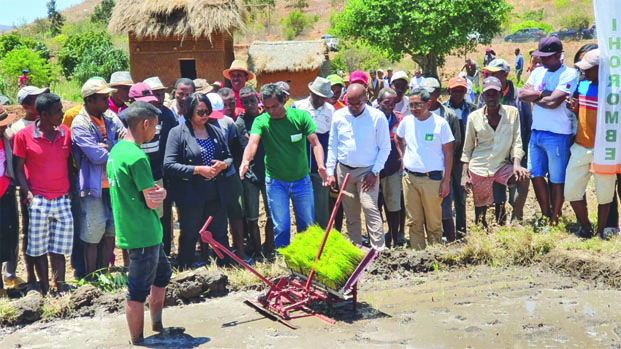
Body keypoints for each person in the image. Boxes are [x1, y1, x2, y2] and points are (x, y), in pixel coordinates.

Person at [106, 101, 173, 345]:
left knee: (163, 274)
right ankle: (138, 340)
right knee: (136, 291)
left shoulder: (117, 151)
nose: (155, 131)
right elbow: (152, 200)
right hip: (143, 232)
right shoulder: (137, 157)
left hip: (134, 229)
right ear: (145, 124)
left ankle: (157, 324)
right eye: (154, 126)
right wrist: (162, 194)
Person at [239, 84, 326, 248]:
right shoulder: (261, 121)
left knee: (307, 225)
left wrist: (321, 165)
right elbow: (252, 143)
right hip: (276, 183)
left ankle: (305, 259)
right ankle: (284, 262)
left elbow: (315, 143)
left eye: (275, 106)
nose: (271, 111)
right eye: (267, 107)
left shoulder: (300, 117)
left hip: (301, 181)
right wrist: (245, 161)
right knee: (281, 227)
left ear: (284, 100)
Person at [14, 93, 73, 294]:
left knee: (59, 247)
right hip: (38, 199)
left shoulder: (65, 133)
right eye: (58, 111)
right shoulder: (24, 136)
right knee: (38, 248)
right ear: (45, 114)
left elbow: (70, 165)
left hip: (62, 199)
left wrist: (71, 190)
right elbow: (19, 168)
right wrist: (28, 194)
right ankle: (45, 288)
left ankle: (61, 286)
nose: (62, 114)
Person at [164, 93, 232, 269]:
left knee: (220, 234)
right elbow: (169, 165)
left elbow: (229, 157)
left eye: (207, 112)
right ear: (189, 112)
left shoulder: (214, 130)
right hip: (190, 194)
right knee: (189, 233)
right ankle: (185, 269)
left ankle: (224, 269)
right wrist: (197, 170)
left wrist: (223, 165)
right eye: (200, 112)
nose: (205, 116)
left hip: (216, 192)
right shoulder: (177, 133)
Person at [519, 37, 577, 226]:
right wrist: (544, 94)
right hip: (537, 132)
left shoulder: (569, 74)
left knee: (557, 178)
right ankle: (546, 214)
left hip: (558, 133)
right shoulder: (538, 72)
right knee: (536, 175)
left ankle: (555, 218)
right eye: (540, 56)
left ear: (559, 55)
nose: (542, 60)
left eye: (547, 57)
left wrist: (535, 95)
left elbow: (553, 104)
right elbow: (522, 95)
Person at [72, 79, 126, 275]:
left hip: (112, 184)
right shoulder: (80, 124)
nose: (107, 101)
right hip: (92, 187)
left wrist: (108, 148)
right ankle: (91, 276)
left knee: (111, 231)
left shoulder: (110, 116)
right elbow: (96, 156)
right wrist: (114, 148)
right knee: (93, 234)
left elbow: (126, 141)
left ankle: (103, 273)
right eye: (104, 98)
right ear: (89, 100)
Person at [326, 84, 391, 250]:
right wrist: (330, 171)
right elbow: (332, 144)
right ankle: (356, 248)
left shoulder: (377, 117)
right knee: (351, 213)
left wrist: (375, 171)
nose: (354, 108)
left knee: (370, 208)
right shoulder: (339, 116)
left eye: (358, 104)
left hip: (367, 171)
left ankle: (379, 251)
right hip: (344, 170)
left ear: (366, 100)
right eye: (350, 103)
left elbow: (385, 147)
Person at [461, 77, 530, 228]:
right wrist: (464, 174)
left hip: (501, 165)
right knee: (481, 215)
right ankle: (482, 235)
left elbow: (517, 141)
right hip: (479, 167)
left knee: (523, 178)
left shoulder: (512, 113)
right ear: (482, 96)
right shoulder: (474, 117)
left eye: (495, 94)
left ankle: (516, 220)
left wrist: (517, 164)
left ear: (501, 94)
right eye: (488, 94)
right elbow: (467, 148)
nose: (491, 97)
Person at [565, 49, 615, 238]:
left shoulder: (613, 90)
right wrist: (576, 109)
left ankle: (600, 231)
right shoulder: (583, 86)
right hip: (581, 144)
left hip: (604, 149)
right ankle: (586, 226)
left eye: (588, 69)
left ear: (600, 69)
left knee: (605, 193)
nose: (584, 72)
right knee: (571, 190)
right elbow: (583, 115)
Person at [396, 88, 454, 250]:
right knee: (414, 221)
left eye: (418, 105)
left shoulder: (440, 123)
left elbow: (449, 153)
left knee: (433, 222)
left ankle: (435, 257)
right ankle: (418, 256)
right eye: (411, 105)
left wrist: (446, 181)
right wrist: (403, 158)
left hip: (432, 180)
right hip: (410, 178)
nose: (413, 109)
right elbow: (398, 138)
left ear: (428, 104)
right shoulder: (407, 121)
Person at [4, 85, 48, 291]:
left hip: (15, 188)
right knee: (26, 232)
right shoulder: (17, 130)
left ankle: (11, 275)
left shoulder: (9, 135)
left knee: (12, 231)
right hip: (24, 188)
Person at [480, 59, 533, 224]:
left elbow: (528, 125)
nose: (490, 76)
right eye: (488, 73)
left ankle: (517, 219)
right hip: (494, 152)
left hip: (517, 151)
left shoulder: (519, 96)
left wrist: (523, 154)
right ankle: (500, 222)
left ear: (505, 74)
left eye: (494, 73)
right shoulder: (485, 97)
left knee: (519, 186)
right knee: (497, 192)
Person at [208, 92, 248, 261]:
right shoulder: (195, 125)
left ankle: (239, 251)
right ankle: (219, 254)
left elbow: (234, 147)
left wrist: (229, 165)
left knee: (236, 213)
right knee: (214, 216)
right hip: (209, 177)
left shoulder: (228, 122)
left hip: (229, 174)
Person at [236, 86, 274, 257]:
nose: (250, 104)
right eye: (245, 102)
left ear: (257, 98)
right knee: (252, 216)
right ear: (241, 102)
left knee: (271, 214)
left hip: (268, 173)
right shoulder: (239, 124)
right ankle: (258, 251)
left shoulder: (266, 118)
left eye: (252, 100)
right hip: (249, 176)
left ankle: (269, 248)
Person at [292, 77, 335, 229]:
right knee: (302, 206)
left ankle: (321, 241)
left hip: (320, 168)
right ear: (310, 91)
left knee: (321, 205)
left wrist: (329, 169)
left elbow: (332, 141)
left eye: (322, 98)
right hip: (300, 167)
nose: (319, 100)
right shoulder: (297, 107)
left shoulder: (331, 111)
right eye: (316, 96)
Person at [423, 78, 461, 242]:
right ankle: (433, 242)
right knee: (426, 209)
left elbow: (456, 142)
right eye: (425, 94)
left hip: (443, 170)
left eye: (431, 94)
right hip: (423, 170)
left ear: (438, 93)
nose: (428, 97)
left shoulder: (449, 115)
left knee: (445, 209)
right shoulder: (418, 114)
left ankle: (451, 243)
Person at [143, 77, 178, 256]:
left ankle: (166, 249)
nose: (159, 97)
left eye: (161, 93)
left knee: (165, 212)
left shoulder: (167, 113)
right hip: (146, 172)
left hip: (164, 170)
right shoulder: (142, 117)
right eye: (155, 94)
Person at [443, 77, 477, 237]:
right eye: (455, 90)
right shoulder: (442, 110)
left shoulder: (473, 109)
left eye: (461, 90)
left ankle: (461, 231)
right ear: (449, 91)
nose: (458, 93)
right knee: (445, 195)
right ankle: (446, 232)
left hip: (465, 158)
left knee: (461, 196)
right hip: (447, 157)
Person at [376, 88, 403, 248]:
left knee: (393, 206)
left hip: (392, 168)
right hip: (373, 170)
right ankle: (378, 241)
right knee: (374, 207)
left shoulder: (399, 119)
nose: (390, 106)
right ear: (379, 102)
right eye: (386, 103)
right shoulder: (370, 118)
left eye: (393, 103)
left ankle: (394, 238)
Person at [0, 106, 19, 297]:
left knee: (9, 236)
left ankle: (9, 276)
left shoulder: (8, 137)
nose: (3, 128)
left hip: (6, 193)